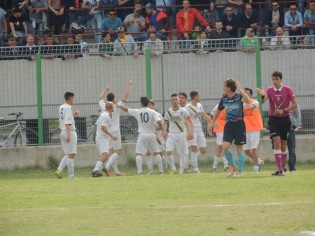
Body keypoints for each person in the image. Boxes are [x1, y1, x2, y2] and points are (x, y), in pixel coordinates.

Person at [256, 71, 298, 176]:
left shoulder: (287, 89)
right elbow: (263, 101)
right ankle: (280, 170)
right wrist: (262, 95)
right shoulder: (270, 90)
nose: (274, 81)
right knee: (277, 142)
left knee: (284, 145)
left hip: (285, 119)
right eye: (273, 79)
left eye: (276, 79)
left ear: (281, 79)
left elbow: (295, 104)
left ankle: (282, 168)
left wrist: (284, 110)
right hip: (273, 119)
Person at [209, 78, 251, 177]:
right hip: (229, 126)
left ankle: (239, 172)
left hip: (239, 125)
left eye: (224, 86)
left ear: (229, 88)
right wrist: (212, 123)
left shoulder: (239, 97)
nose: (223, 88)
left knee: (239, 148)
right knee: (225, 147)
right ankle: (233, 166)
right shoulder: (224, 99)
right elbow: (218, 111)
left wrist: (240, 90)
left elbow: (248, 101)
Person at [120, 96, 164, 175]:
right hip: (151, 134)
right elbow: (159, 121)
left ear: (141, 103)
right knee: (156, 153)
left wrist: (119, 106)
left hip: (142, 134)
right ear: (148, 103)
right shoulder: (153, 112)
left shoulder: (138, 111)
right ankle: (161, 171)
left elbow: (126, 109)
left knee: (139, 153)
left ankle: (140, 172)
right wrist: (161, 127)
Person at [98, 80, 133, 176]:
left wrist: (105, 89)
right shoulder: (116, 106)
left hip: (107, 131)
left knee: (111, 152)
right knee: (117, 151)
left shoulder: (104, 106)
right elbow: (125, 97)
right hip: (115, 131)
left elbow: (100, 98)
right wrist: (129, 85)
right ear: (113, 99)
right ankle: (107, 167)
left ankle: (116, 172)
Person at [163, 93, 194, 174]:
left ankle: (181, 170)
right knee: (168, 152)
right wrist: (164, 130)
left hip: (181, 134)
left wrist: (191, 132)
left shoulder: (184, 111)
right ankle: (173, 169)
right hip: (171, 134)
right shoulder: (168, 112)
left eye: (176, 99)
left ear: (178, 101)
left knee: (182, 153)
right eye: (173, 100)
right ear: (171, 101)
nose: (175, 101)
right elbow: (165, 122)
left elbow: (190, 122)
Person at [185, 90, 212, 173]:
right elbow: (186, 121)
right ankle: (195, 169)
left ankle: (190, 162)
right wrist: (189, 132)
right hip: (192, 129)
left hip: (199, 129)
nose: (200, 97)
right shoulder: (187, 107)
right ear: (195, 97)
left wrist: (211, 123)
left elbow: (204, 115)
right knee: (193, 148)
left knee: (203, 150)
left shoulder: (199, 105)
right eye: (199, 95)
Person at [55, 92, 79, 179]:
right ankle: (71, 175)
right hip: (69, 131)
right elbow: (67, 122)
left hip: (63, 131)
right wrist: (69, 135)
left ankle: (59, 170)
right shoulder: (68, 108)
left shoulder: (61, 107)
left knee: (68, 153)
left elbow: (65, 118)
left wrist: (73, 115)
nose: (73, 100)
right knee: (72, 153)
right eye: (73, 98)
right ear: (70, 98)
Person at [91, 102, 118, 177]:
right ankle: (95, 170)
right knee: (105, 155)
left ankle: (98, 170)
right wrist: (111, 136)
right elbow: (103, 127)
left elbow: (97, 125)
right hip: (103, 138)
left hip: (99, 137)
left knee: (103, 155)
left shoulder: (102, 114)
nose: (114, 108)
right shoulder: (106, 116)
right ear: (110, 107)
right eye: (113, 106)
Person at [243, 87, 264, 172]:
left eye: (246, 93)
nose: (244, 94)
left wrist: (242, 104)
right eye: (244, 92)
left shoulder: (255, 102)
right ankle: (258, 161)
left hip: (255, 128)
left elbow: (250, 107)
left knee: (253, 149)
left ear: (250, 95)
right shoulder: (241, 103)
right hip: (246, 129)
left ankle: (256, 169)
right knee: (246, 150)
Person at [145, 100, 166, 175]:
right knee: (148, 153)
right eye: (148, 104)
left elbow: (163, 125)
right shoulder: (145, 114)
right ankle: (150, 171)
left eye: (150, 104)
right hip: (148, 136)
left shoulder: (158, 115)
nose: (149, 106)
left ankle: (163, 169)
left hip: (158, 136)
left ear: (153, 105)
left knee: (160, 153)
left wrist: (159, 129)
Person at [210, 104, 228, 172]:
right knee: (223, 146)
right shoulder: (218, 105)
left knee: (222, 147)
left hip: (228, 128)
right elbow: (211, 115)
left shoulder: (232, 105)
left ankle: (215, 167)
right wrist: (213, 123)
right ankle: (225, 166)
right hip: (220, 128)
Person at [287, 104, 302, 172]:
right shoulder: (280, 101)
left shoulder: (294, 103)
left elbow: (298, 116)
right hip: (281, 129)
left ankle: (292, 168)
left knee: (292, 150)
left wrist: (294, 126)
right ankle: (281, 168)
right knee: (281, 150)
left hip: (291, 130)